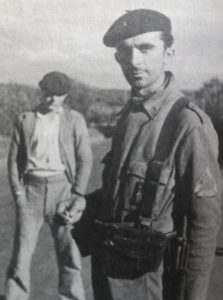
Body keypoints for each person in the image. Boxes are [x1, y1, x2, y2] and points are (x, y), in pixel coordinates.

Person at [91, 9, 222, 300]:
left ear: (168, 52)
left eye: (145, 48)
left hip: (153, 283)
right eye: (124, 51)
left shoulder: (187, 124)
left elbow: (204, 225)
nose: (133, 61)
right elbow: (120, 193)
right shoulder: (128, 115)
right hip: (112, 274)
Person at [5, 71, 92, 300]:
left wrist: (77, 193)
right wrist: (18, 194)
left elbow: (85, 158)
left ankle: (72, 296)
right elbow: (14, 161)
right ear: (42, 92)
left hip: (62, 192)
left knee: (70, 253)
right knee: (21, 255)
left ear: (65, 95)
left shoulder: (75, 120)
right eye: (49, 94)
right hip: (31, 193)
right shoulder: (26, 120)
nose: (54, 99)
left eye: (59, 95)